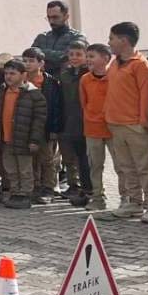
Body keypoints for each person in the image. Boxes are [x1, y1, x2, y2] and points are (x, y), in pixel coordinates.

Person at [104, 21, 148, 222]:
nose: (109, 42)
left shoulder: (141, 65)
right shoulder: (114, 62)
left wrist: (144, 122)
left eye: (111, 38)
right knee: (126, 167)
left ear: (124, 40)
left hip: (135, 124)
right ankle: (134, 203)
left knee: (145, 167)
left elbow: (146, 94)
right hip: (115, 122)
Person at [0, 59, 47, 209]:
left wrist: (34, 140)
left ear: (23, 75)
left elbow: (39, 120)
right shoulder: (1, 92)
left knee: (25, 169)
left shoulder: (33, 94)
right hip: (6, 139)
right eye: (6, 74)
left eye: (13, 73)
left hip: (24, 139)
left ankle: (25, 194)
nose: (9, 77)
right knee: (10, 169)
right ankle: (14, 192)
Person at [22, 47, 62, 203]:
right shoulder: (21, 80)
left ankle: (48, 189)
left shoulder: (50, 83)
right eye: (25, 61)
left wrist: (54, 129)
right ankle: (34, 187)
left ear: (41, 63)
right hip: (26, 126)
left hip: (45, 128)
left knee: (47, 159)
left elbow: (56, 107)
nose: (27, 64)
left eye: (31, 61)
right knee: (30, 159)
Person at [58, 41, 92, 206]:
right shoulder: (65, 75)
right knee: (74, 157)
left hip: (86, 120)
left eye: (79, 54)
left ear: (86, 56)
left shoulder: (89, 74)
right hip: (69, 120)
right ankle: (78, 187)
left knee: (86, 159)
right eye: (71, 54)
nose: (74, 58)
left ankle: (90, 191)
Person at [80, 44, 113, 212]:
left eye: (92, 56)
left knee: (122, 166)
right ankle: (98, 198)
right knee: (95, 165)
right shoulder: (85, 79)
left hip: (114, 127)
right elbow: (84, 103)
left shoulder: (115, 77)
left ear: (106, 59)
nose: (88, 59)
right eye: (87, 56)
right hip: (92, 128)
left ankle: (128, 198)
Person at [31, 0, 87, 75]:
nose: (51, 21)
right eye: (49, 18)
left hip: (66, 82)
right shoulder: (42, 37)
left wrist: (42, 52)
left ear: (66, 17)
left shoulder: (77, 36)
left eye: (55, 17)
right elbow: (30, 56)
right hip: (43, 82)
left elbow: (66, 56)